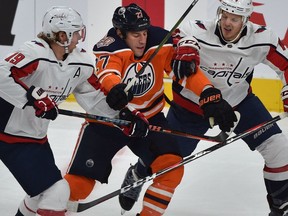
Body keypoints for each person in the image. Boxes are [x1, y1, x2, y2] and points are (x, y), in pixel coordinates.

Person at [63, 3, 237, 216]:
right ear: (120, 32)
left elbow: (184, 72)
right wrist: (116, 89)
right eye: (136, 34)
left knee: (172, 169)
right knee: (79, 185)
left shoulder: (160, 41)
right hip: (110, 121)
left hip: (149, 121)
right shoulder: (110, 46)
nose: (142, 39)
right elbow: (108, 74)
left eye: (144, 32)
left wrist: (209, 94)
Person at [165, 0, 288, 215]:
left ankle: (281, 207)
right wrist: (181, 44)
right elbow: (172, 44)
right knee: (163, 160)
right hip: (191, 108)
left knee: (279, 149)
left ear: (246, 19)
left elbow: (286, 65)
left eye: (234, 18)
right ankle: (138, 172)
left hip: (239, 103)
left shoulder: (262, 39)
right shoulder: (196, 31)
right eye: (224, 16)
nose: (227, 23)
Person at [0, 6, 118, 216]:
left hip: (33, 137)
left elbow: (94, 98)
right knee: (57, 191)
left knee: (40, 196)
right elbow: (2, 74)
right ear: (62, 35)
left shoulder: (79, 62)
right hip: (9, 136)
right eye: (75, 33)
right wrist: (34, 97)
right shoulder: (34, 53)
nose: (79, 38)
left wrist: (123, 115)